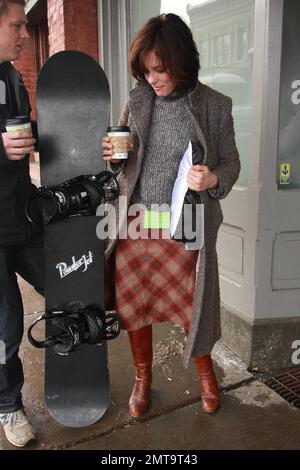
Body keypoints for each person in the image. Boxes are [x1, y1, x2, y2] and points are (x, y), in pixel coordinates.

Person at [102, 13, 240, 418]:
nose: (153, 79)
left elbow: (231, 163)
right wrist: (113, 158)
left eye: (159, 70)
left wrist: (213, 177)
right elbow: (122, 159)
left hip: (185, 224)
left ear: (181, 62)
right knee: (135, 303)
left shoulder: (215, 105)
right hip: (136, 222)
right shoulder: (138, 99)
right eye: (145, 71)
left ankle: (205, 377)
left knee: (190, 307)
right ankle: (144, 380)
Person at [0, 0, 44, 447]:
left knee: (66, 280)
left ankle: (74, 371)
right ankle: (8, 404)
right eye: (17, 25)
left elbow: (24, 135)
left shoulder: (12, 76)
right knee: (5, 323)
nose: (25, 33)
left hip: (22, 218)